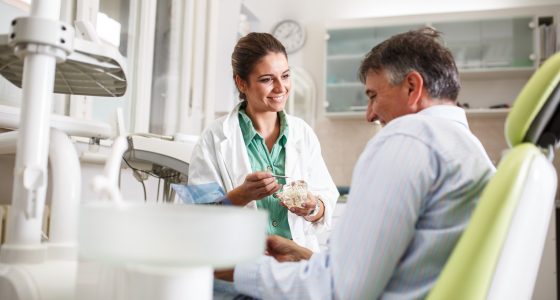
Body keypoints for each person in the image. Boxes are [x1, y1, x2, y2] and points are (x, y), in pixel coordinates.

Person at [217, 27, 496, 299]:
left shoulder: (407, 139)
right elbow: (397, 268)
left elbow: (337, 290)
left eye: (373, 95)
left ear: (412, 87)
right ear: (242, 83)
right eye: (267, 79)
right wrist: (306, 256)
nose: (369, 114)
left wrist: (241, 268)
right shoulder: (469, 149)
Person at [188, 32, 339, 252]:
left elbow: (326, 201)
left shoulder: (303, 134)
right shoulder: (213, 138)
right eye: (267, 79)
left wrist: (313, 206)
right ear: (241, 83)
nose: (280, 88)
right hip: (239, 266)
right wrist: (241, 195)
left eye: (285, 76)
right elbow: (197, 217)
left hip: (296, 267)